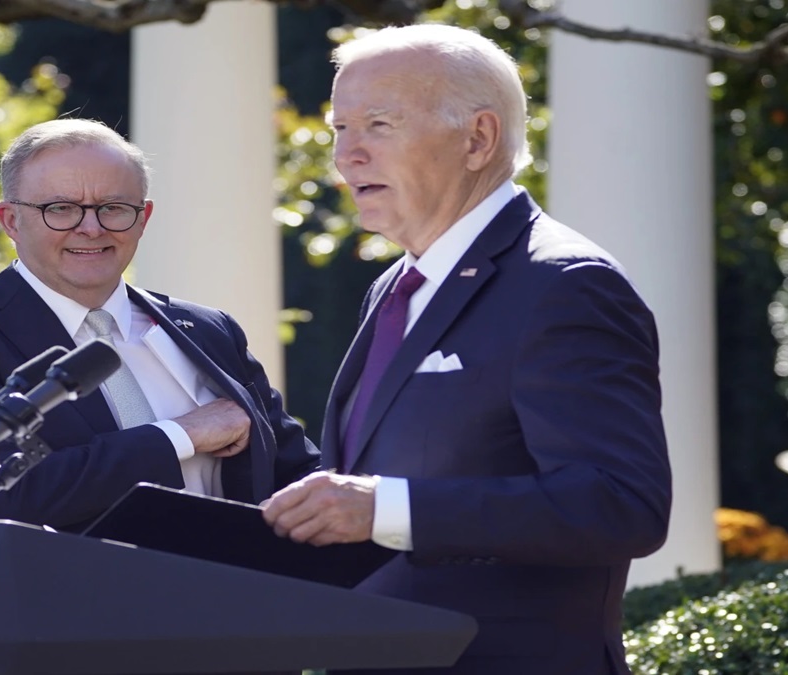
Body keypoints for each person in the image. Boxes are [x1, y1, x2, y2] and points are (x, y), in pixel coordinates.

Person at [262, 24, 672, 675]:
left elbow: (620, 503)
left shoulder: (564, 285)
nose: (347, 155)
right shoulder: (393, 288)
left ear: (477, 138)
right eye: (341, 129)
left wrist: (384, 508)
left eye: (377, 124)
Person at [0, 118, 318, 531]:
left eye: (113, 208)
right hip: (67, 599)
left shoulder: (209, 331)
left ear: (143, 217)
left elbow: (297, 473)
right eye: (59, 209)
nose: (91, 228)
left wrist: (377, 504)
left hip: (236, 595)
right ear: (10, 220)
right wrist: (178, 436)